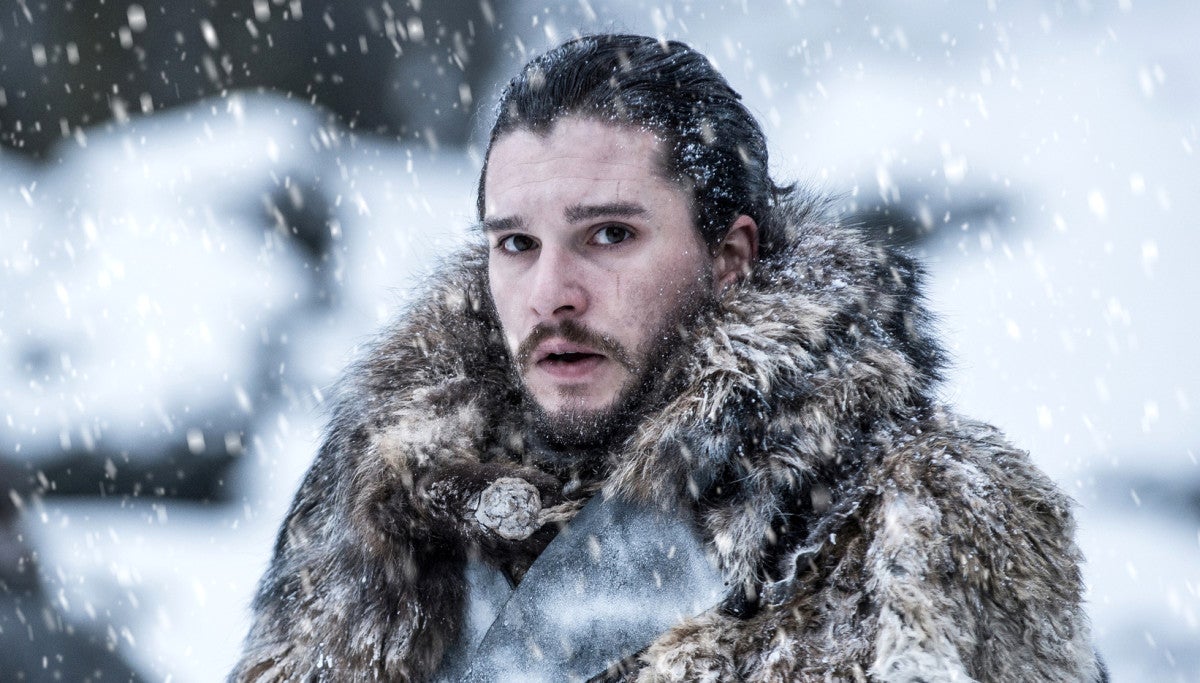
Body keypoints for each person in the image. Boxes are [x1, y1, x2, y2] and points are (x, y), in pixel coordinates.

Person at [233, 34, 1106, 681]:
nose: (552, 293)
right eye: (517, 243)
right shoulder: (386, 496)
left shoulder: (923, 518)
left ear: (730, 257)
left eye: (610, 235)